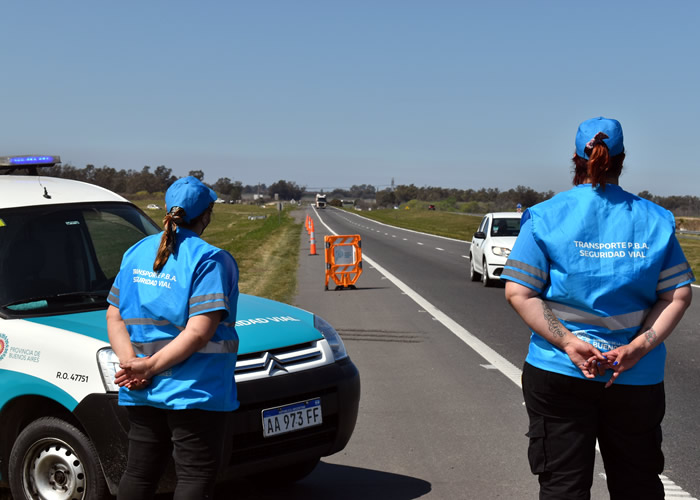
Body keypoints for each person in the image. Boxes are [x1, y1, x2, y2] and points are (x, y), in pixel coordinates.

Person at [502, 117, 694, 500]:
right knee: (637, 485)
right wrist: (637, 349)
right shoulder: (656, 220)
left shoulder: (545, 217)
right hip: (635, 378)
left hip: (560, 371)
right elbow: (677, 295)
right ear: (622, 160)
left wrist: (571, 344)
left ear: (576, 158)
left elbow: (519, 293)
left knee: (563, 486)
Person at [107, 176, 239, 499]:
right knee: (194, 477)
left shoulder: (135, 253)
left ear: (168, 209)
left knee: (139, 474)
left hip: (141, 388)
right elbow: (199, 332)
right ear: (205, 215)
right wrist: (148, 368)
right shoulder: (209, 260)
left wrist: (132, 365)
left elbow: (113, 315)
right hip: (195, 391)